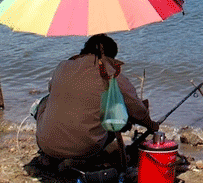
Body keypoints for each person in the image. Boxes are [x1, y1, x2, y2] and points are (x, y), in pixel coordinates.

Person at [34, 34, 158, 163]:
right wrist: (152, 125)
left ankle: (54, 151)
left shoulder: (62, 66)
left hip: (46, 145)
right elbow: (137, 110)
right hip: (85, 150)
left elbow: (52, 89)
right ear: (110, 57)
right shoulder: (112, 76)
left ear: (84, 50)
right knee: (116, 112)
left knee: (46, 100)